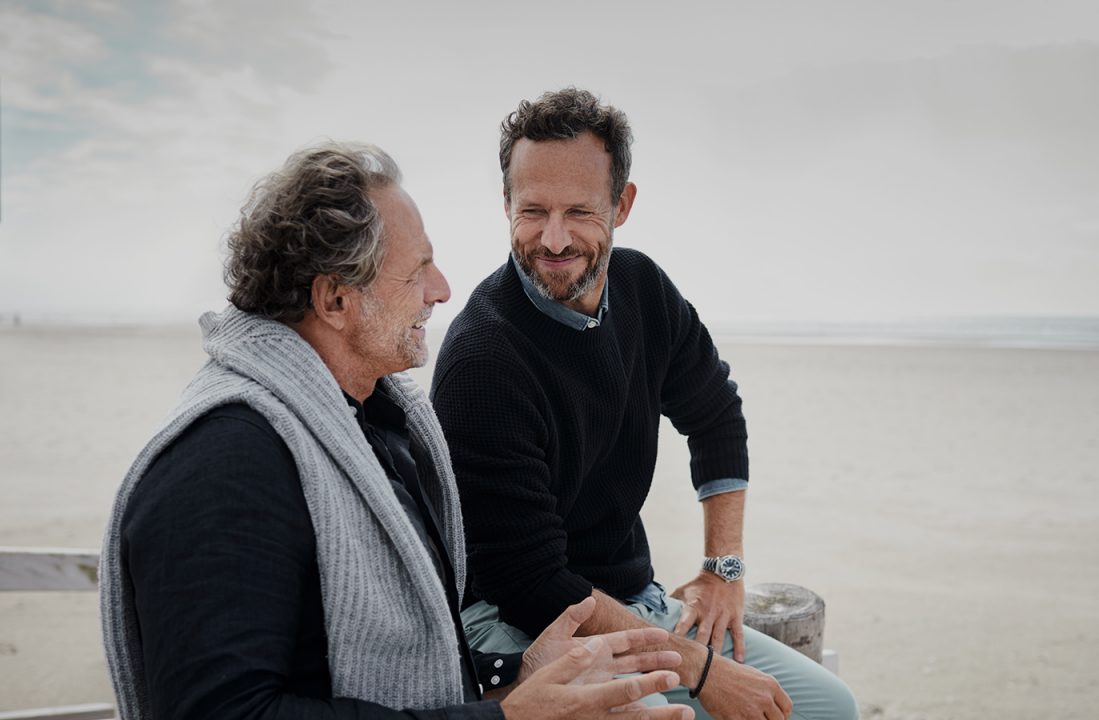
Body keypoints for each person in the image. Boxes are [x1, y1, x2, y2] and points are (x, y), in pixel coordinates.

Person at [97, 142, 693, 720]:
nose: (443, 289)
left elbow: (411, 665)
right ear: (335, 300)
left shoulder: (378, 426)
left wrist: (512, 676)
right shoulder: (227, 465)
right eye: (416, 272)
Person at [430, 89, 859, 719]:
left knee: (826, 708)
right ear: (505, 205)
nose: (553, 238)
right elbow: (534, 583)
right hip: (524, 627)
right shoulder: (482, 362)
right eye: (533, 211)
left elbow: (715, 415)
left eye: (579, 210)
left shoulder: (644, 290)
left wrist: (724, 570)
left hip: (635, 603)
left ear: (621, 204)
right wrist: (700, 668)